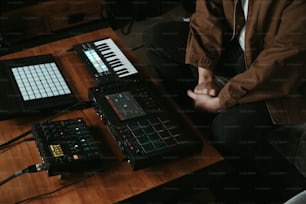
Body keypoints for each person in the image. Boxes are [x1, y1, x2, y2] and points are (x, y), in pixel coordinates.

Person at [143, 0, 306, 182]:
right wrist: (204, 77)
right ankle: (186, 129)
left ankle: (230, 181)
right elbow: (207, 17)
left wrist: (223, 100)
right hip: (239, 48)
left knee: (228, 131)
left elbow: (281, 63)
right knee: (156, 37)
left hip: (286, 82)